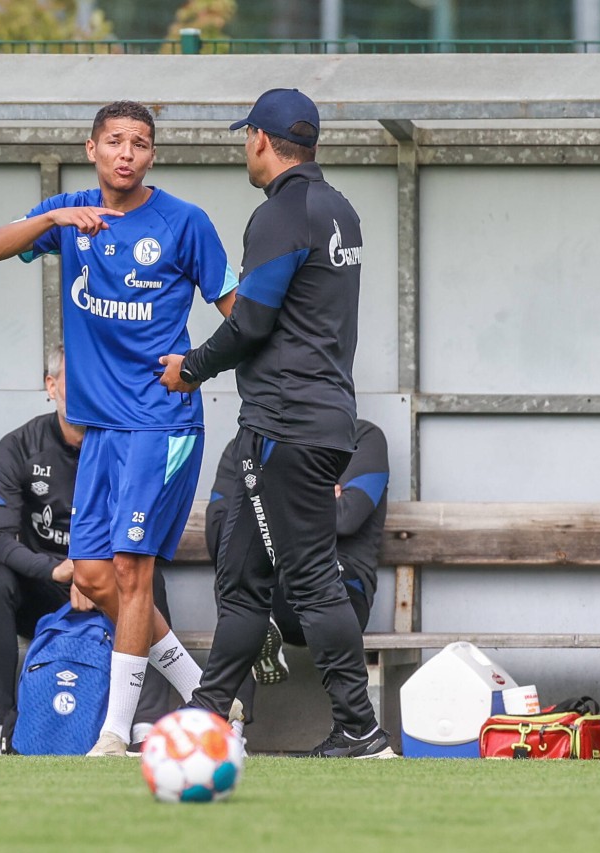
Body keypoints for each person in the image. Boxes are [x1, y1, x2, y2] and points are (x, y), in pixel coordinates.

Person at [0, 101, 238, 756]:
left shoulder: (185, 222)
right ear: (92, 148)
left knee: (130, 569)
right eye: (116, 141)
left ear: (153, 155)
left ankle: (115, 735)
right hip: (100, 429)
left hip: (160, 421)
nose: (128, 152)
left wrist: (198, 366)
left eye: (141, 143)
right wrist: (54, 218)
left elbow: (243, 318)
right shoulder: (67, 213)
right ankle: (208, 698)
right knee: (93, 575)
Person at [159, 88, 396, 758]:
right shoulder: (338, 209)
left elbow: (252, 321)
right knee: (243, 582)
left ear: (261, 140)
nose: (245, 149)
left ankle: (360, 727)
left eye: (246, 138)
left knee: (313, 580)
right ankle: (204, 722)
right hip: (314, 420)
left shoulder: (281, 213)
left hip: (285, 425)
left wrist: (191, 368)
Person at [0, 347, 174, 755]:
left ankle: (145, 728)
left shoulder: (123, 444)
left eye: (93, 380)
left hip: (110, 579)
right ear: (51, 386)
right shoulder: (19, 446)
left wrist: (91, 571)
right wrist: (57, 570)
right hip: (47, 588)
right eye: (72, 380)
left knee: (148, 577)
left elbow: (144, 527)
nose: (84, 390)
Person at [206, 420, 389, 727]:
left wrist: (262, 505)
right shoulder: (246, 446)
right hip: (272, 586)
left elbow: (347, 518)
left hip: (341, 586)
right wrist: (312, 501)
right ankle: (231, 728)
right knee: (236, 572)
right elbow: (217, 533)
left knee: (262, 570)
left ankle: (353, 730)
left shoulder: (363, 437)